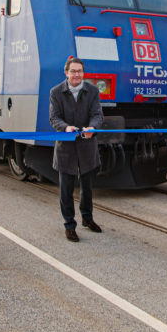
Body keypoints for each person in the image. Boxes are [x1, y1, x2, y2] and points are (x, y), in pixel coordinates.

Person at [48, 57, 104, 241]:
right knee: (66, 190)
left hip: (87, 146)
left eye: (79, 71)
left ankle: (87, 219)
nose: (76, 74)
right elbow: (54, 117)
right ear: (66, 72)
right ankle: (69, 225)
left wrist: (93, 128)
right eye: (73, 71)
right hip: (66, 148)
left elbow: (97, 114)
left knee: (87, 188)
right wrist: (66, 128)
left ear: (83, 73)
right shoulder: (56, 92)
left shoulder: (93, 91)